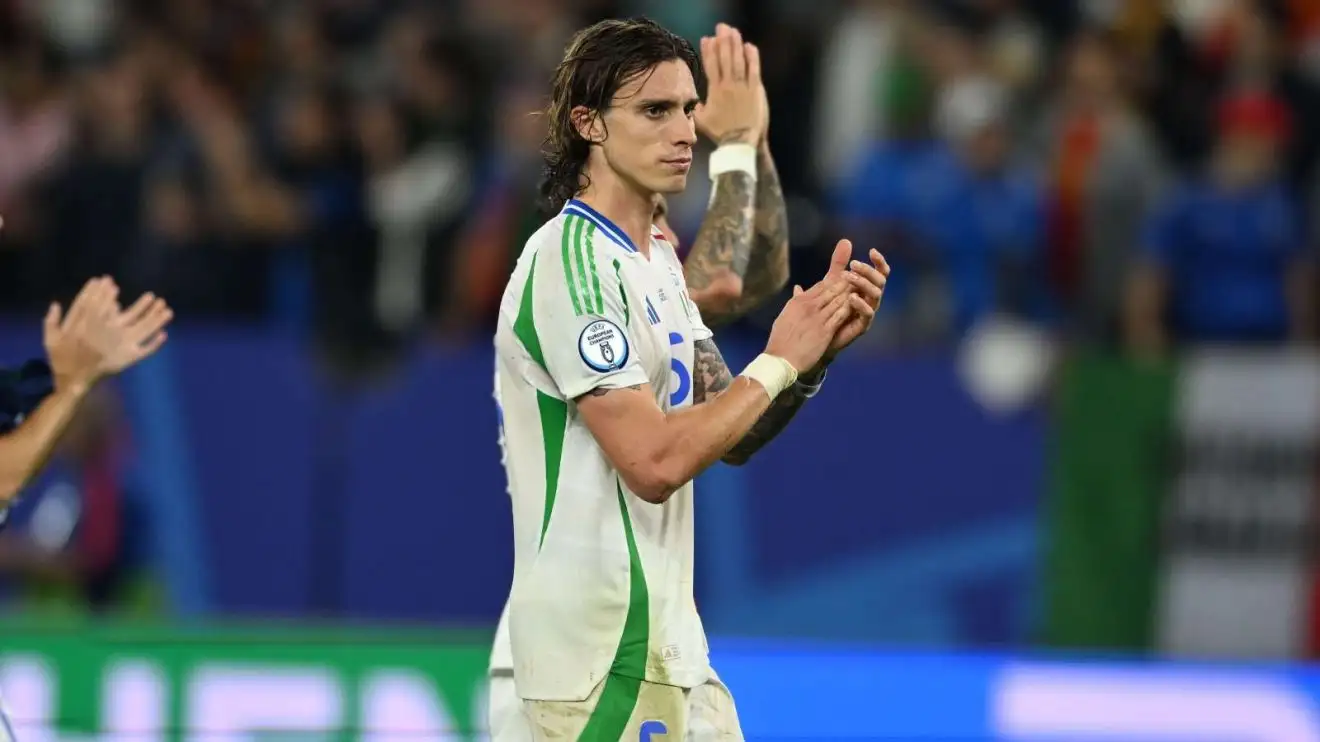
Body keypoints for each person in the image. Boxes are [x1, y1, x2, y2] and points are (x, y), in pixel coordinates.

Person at [491, 17, 888, 739]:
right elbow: (654, 459)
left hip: (666, 651)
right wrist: (739, 151)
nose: (683, 131)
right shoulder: (573, 265)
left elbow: (727, 431)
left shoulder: (655, 261)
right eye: (654, 111)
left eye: (688, 110)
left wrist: (808, 362)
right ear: (589, 125)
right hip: (597, 658)